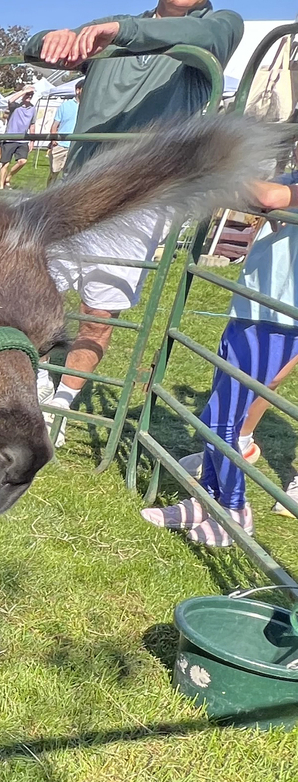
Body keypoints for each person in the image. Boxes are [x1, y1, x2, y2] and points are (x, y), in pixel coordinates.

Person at [29, 0, 244, 438]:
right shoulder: (114, 24)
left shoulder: (218, 26)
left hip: (141, 199)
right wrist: (50, 39)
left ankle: (60, 404)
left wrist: (118, 33)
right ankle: (29, 381)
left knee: (100, 311)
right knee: (33, 292)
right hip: (75, 190)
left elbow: (201, 37)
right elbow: (41, 49)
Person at [141, 171, 298, 546]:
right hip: (251, 310)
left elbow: (271, 197)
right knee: (218, 414)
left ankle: (235, 511)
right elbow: (256, 199)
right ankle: (206, 500)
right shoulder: (291, 177)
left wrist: (224, 171)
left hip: (278, 319)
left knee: (221, 419)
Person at [0, 87, 35, 187]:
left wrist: (32, 141)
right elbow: (10, 100)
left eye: (31, 94)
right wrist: (24, 91)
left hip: (23, 140)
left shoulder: (32, 108)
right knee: (5, 163)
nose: (29, 96)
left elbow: (32, 125)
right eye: (28, 94)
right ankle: (1, 186)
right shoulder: (15, 106)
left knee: (23, 161)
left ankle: (8, 177)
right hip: (10, 139)